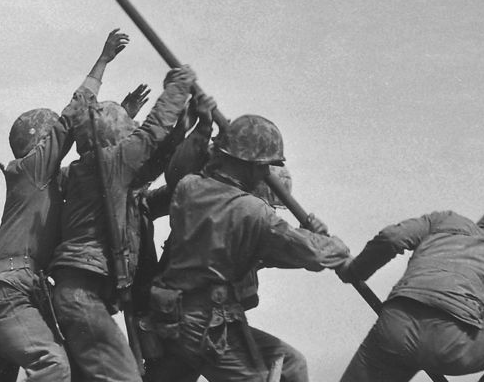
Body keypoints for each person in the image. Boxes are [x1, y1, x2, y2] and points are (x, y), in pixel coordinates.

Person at [0, 29, 133, 382]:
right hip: (9, 290)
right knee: (53, 366)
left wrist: (117, 120)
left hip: (9, 290)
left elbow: (93, 166)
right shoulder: (30, 171)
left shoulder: (43, 182)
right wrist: (102, 61)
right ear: (39, 143)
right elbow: (73, 116)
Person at [144, 114, 350, 382]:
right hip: (208, 324)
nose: (266, 174)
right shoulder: (253, 212)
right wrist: (330, 241)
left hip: (173, 317)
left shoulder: (189, 187)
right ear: (250, 164)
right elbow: (313, 252)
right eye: (264, 166)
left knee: (289, 363)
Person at [49, 63, 200, 382]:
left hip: (82, 292)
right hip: (83, 293)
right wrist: (178, 86)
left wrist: (181, 134)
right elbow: (150, 134)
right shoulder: (109, 165)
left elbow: (150, 167)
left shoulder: (93, 173)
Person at [335, 202, 484, 382]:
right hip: (449, 344)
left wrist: (355, 271)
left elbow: (392, 238)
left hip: (393, 330)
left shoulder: (446, 221)